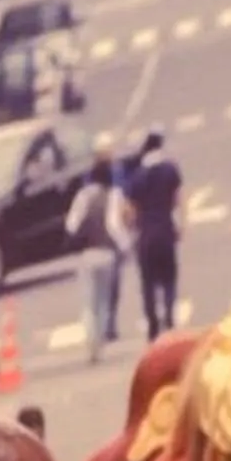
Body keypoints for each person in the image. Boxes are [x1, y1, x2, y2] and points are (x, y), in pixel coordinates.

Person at [67, 143, 130, 364]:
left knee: (88, 302)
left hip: (87, 254)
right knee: (104, 301)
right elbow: (114, 226)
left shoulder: (83, 196)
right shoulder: (113, 195)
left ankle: (90, 343)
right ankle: (100, 344)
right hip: (107, 254)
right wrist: (125, 246)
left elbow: (71, 225)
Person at [128, 132, 184, 333]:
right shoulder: (170, 170)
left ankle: (152, 322)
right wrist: (181, 225)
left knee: (148, 282)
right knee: (169, 277)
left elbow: (131, 211)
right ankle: (169, 315)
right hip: (165, 229)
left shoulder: (137, 176)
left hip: (146, 234)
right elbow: (178, 200)